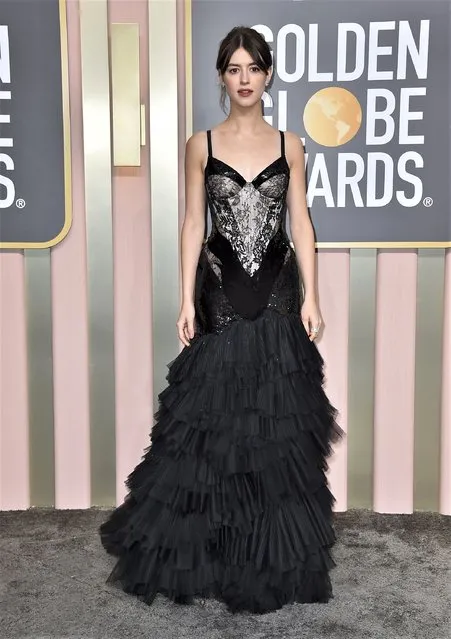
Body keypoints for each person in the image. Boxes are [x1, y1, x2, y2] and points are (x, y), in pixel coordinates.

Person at [100, 25, 343, 615]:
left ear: (267, 76)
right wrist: (185, 299)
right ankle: (212, 548)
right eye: (233, 68)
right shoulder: (200, 144)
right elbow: (191, 224)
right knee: (211, 424)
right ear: (221, 76)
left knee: (275, 421)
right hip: (220, 293)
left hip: (279, 292)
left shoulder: (290, 143)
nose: (243, 79)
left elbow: (301, 222)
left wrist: (313, 295)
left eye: (253, 68)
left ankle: (267, 549)